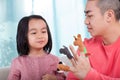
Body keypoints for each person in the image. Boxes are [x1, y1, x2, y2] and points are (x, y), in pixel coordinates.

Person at [66, 0, 120, 80]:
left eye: (90, 16)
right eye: (86, 16)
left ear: (109, 16)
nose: (86, 22)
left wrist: (89, 75)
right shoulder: (84, 48)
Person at [8, 15, 66, 80]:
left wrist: (54, 78)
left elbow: (63, 77)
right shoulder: (17, 62)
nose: (40, 36)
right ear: (24, 36)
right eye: (34, 33)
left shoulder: (56, 60)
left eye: (43, 31)